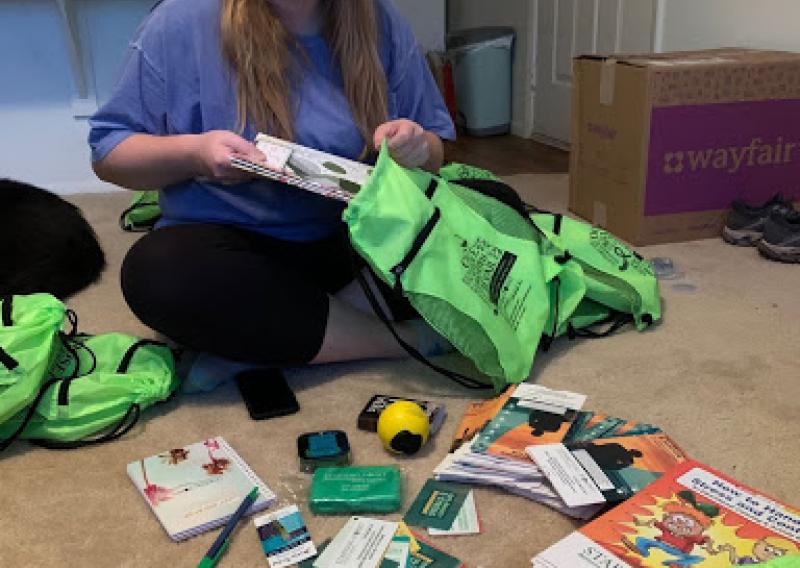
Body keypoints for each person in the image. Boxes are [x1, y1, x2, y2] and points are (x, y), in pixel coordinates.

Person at [89, 0, 456, 390]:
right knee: (157, 271)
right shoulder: (179, 20)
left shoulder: (379, 19)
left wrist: (418, 147)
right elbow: (110, 152)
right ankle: (399, 341)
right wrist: (195, 154)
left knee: (479, 212)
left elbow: (435, 152)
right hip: (232, 256)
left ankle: (265, 343)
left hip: (351, 242)